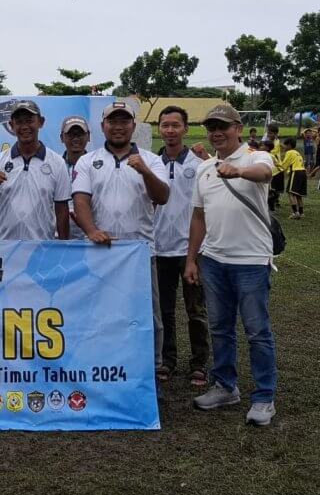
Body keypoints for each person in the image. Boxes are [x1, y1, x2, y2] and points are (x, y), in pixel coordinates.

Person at [185, 103, 278, 426]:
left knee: (257, 331)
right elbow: (199, 217)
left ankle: (264, 397)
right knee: (220, 328)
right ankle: (225, 386)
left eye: (223, 126)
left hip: (251, 260)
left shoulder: (256, 156)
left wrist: (237, 171)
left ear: (238, 128)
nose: (217, 133)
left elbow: (265, 173)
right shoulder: (204, 168)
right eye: (211, 127)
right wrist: (192, 259)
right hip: (213, 260)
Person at [72, 101, 170, 382]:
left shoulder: (151, 160)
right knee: (99, 313)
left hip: (139, 253)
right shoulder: (87, 161)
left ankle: (150, 372)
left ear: (133, 126)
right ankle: (101, 369)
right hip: (100, 252)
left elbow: (163, 196)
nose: (118, 127)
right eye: (112, 121)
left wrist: (145, 172)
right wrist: (91, 230)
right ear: (103, 126)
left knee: (147, 315)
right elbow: (80, 199)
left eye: (124, 121)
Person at [151, 106, 210, 387]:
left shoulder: (199, 165)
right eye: (165, 125)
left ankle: (199, 363)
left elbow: (204, 210)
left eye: (176, 125)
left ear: (186, 129)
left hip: (191, 250)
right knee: (163, 311)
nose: (170, 130)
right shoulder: (152, 164)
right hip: (159, 249)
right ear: (159, 129)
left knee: (196, 310)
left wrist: (195, 254)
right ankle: (167, 360)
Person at [0, 101, 71, 240]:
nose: (24, 127)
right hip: (4, 245)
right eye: (19, 122)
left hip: (41, 246)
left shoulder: (57, 163)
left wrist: (64, 247)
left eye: (29, 121)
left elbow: (62, 209)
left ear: (41, 122)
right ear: (11, 125)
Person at [60, 115, 91, 240]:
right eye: (71, 134)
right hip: (58, 238)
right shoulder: (55, 166)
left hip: (90, 237)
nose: (76, 138)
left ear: (88, 136)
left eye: (80, 134)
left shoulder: (96, 166)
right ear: (62, 138)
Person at [279, 137, 307, 219]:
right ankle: (301, 213)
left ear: (289, 145)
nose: (284, 147)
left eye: (285, 145)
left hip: (296, 172)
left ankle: (295, 213)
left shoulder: (289, 152)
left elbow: (284, 165)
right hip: (303, 172)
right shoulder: (297, 153)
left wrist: (276, 166)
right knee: (298, 194)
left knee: (291, 193)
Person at [265, 124, 283, 213]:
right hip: (272, 168)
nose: (268, 134)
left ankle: (273, 205)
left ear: (275, 134)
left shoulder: (276, 143)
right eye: (268, 132)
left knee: (273, 188)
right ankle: (274, 202)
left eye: (270, 133)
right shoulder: (269, 141)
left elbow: (272, 152)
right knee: (271, 187)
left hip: (276, 168)